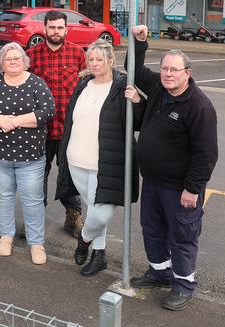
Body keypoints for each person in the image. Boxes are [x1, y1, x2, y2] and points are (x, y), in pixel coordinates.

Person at [128, 25, 218, 311]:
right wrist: (140, 42)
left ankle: (183, 285)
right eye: (165, 68)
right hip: (153, 182)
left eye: (174, 70)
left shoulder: (199, 106)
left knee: (182, 237)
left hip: (181, 189)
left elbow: (206, 154)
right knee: (152, 231)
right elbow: (135, 68)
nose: (167, 74)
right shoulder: (158, 88)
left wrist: (193, 189)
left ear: (187, 73)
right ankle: (160, 273)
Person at [56, 40, 142, 276]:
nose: (94, 63)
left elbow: (138, 121)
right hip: (76, 159)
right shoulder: (83, 84)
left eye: (99, 59)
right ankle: (99, 255)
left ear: (110, 60)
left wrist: (137, 102)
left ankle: (84, 240)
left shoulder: (123, 85)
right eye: (91, 59)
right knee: (93, 208)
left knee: (101, 212)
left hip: (106, 163)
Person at [0, 42, 54, 265]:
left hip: (30, 156)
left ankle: (36, 243)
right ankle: (6, 237)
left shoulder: (36, 83)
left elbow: (47, 111)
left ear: (25, 60)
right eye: (8, 58)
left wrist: (14, 121)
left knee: (32, 200)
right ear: (1, 62)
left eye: (17, 58)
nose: (13, 62)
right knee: (3, 197)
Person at [26, 10, 86, 238]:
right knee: (37, 176)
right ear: (45, 29)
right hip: (38, 130)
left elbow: (86, 88)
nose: (56, 32)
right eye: (52, 27)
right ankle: (35, 220)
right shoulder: (31, 55)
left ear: (66, 29)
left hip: (68, 129)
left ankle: (73, 216)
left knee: (69, 176)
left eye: (60, 27)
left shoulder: (78, 54)